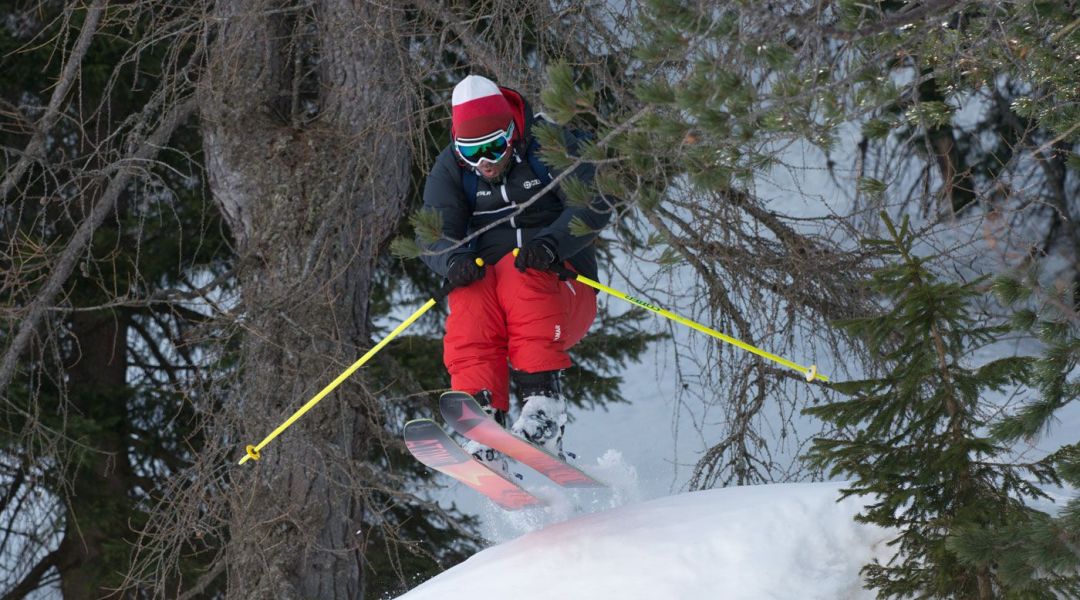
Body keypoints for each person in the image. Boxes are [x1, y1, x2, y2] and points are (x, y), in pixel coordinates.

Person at [418, 74, 610, 467]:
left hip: (560, 289)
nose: (485, 163)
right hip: (496, 307)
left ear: (512, 132)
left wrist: (550, 244)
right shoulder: (451, 168)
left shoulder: (549, 142)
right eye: (472, 153)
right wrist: (451, 260)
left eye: (493, 147)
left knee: (519, 273)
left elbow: (592, 202)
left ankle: (544, 408)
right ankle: (482, 419)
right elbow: (432, 232)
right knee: (469, 293)